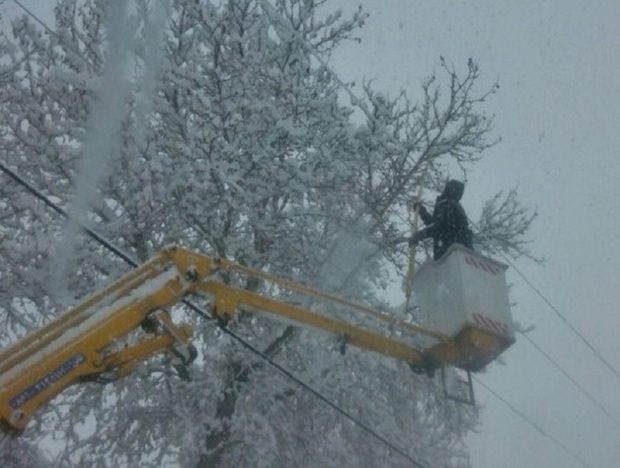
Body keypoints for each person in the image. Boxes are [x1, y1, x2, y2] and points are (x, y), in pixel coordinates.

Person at [409, 179, 474, 260]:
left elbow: (439, 227)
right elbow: (437, 224)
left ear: (449, 190)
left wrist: (420, 234)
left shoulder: (448, 204)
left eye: (446, 188)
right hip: (456, 253)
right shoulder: (452, 206)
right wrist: (423, 212)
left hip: (452, 253)